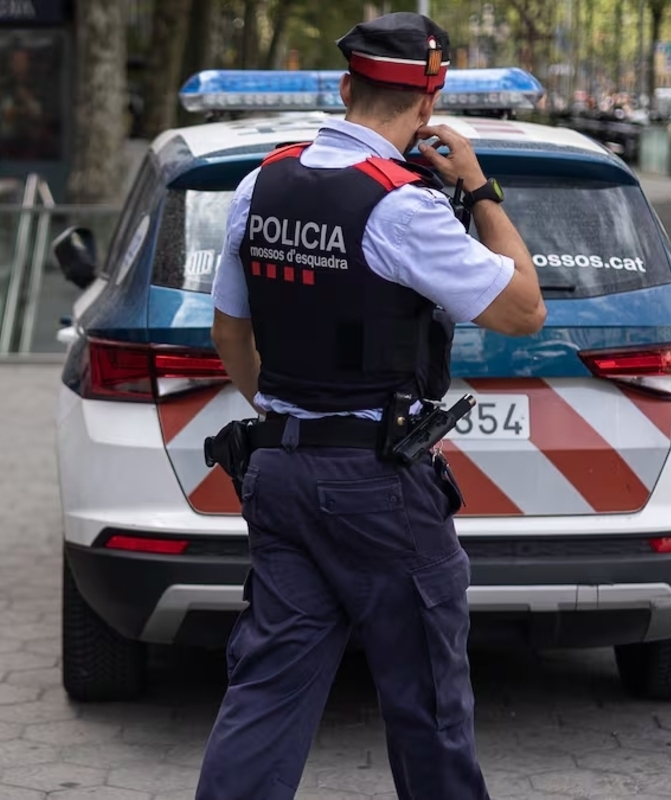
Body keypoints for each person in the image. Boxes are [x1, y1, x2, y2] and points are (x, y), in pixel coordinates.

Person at [197, 12, 546, 800]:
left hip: (279, 472)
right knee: (427, 705)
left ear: (346, 86)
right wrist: (479, 188)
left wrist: (294, 418)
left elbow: (229, 331)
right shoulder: (402, 206)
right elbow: (524, 308)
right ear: (428, 106)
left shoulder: (262, 183)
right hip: (378, 490)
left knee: (265, 695)